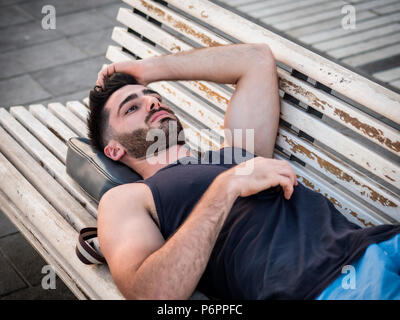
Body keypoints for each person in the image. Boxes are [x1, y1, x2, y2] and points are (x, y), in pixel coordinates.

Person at [88, 43, 400, 300]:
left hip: (378, 243)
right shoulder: (127, 198)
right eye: (131, 108)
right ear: (114, 150)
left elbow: (256, 59)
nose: (153, 103)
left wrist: (143, 72)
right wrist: (227, 186)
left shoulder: (237, 149)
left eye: (152, 97)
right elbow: (152, 295)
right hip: (325, 288)